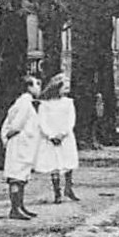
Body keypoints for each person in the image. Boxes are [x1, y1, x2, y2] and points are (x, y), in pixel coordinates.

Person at [0, 76, 43, 220]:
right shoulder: (24, 103)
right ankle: (15, 208)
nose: (39, 89)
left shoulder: (25, 102)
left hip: (24, 144)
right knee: (16, 176)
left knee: (22, 175)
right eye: (37, 85)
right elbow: (16, 125)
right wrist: (10, 136)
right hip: (19, 144)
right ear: (29, 87)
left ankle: (20, 205)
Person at [34, 74, 80, 203]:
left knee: (68, 162)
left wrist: (63, 133)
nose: (67, 90)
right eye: (64, 87)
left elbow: (71, 120)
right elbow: (42, 121)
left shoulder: (68, 103)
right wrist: (51, 135)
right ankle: (57, 192)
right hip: (51, 138)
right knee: (54, 164)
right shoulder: (45, 104)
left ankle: (69, 188)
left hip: (65, 136)